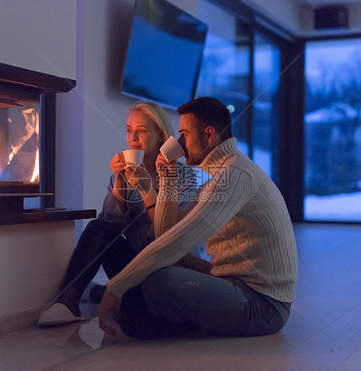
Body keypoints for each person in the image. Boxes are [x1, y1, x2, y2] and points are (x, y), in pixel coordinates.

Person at [98, 97, 298, 339]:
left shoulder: (234, 175)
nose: (179, 144)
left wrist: (116, 286)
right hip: (229, 279)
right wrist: (168, 181)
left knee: (159, 280)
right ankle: (145, 312)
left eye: (184, 135)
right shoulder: (217, 172)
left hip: (263, 305)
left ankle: (153, 317)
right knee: (159, 263)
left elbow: (180, 240)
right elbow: (167, 232)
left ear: (209, 134)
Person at [38, 101, 197, 326]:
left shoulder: (184, 177)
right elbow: (108, 226)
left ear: (161, 136)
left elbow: (168, 238)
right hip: (133, 264)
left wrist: (147, 190)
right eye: (129, 131)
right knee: (97, 226)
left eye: (141, 131)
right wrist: (119, 183)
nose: (133, 138)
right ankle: (68, 300)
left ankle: (99, 293)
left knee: (133, 318)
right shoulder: (124, 174)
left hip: (166, 267)